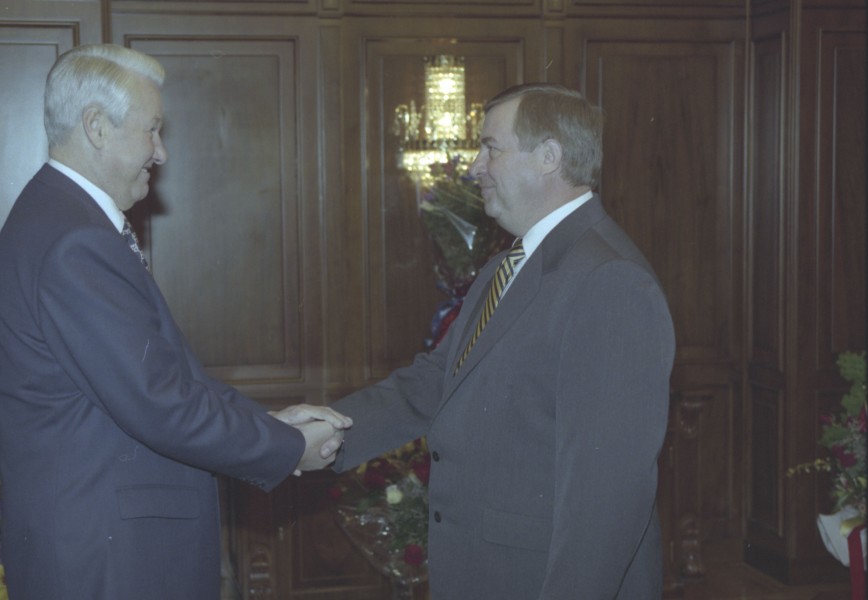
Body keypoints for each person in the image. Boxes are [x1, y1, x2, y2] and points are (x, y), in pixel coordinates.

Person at [0, 44, 351, 600]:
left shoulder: (58, 216)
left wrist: (270, 421)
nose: (161, 153)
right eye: (152, 130)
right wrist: (286, 447)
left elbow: (162, 378)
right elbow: (159, 402)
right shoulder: (75, 239)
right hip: (106, 556)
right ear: (96, 126)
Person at [316, 83, 676, 598]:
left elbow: (607, 497)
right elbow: (435, 383)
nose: (474, 167)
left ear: (548, 157)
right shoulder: (506, 267)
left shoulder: (609, 281)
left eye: (491, 148)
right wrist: (310, 438)